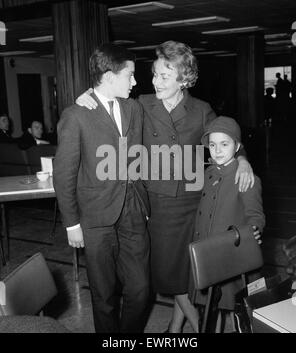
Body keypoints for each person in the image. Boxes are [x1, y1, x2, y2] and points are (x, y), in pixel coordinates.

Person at [76, 40, 254, 333]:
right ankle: (201, 330)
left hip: (193, 205)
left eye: (164, 76)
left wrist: (243, 159)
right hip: (156, 207)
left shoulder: (201, 110)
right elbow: (105, 99)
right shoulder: (142, 104)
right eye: (155, 74)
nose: (155, 81)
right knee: (170, 278)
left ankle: (174, 329)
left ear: (183, 79)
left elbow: (226, 138)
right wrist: (86, 96)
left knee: (188, 275)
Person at [53, 44, 150, 333]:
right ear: (109, 76)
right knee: (104, 295)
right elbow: (64, 173)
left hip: (132, 210)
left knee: (141, 289)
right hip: (95, 219)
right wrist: (72, 224)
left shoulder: (135, 107)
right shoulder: (76, 115)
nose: (135, 82)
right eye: (130, 75)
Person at [189, 116, 265, 329]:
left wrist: (254, 231)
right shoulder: (209, 172)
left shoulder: (246, 178)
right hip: (207, 257)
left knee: (236, 310)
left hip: (230, 259)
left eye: (225, 144)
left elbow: (256, 216)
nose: (217, 150)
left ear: (237, 146)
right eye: (212, 145)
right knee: (207, 313)